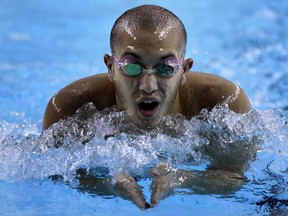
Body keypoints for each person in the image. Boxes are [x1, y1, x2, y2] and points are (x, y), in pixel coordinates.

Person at [43, 5, 252, 210]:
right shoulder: (70, 109)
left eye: (165, 68)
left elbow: (234, 177)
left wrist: (182, 180)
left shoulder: (223, 104)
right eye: (132, 67)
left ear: (185, 70)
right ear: (110, 67)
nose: (148, 86)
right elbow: (53, 173)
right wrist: (106, 186)